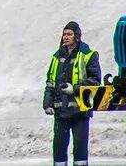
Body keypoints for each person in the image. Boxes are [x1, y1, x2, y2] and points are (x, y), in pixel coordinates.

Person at [43, 21, 101, 166]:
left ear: (77, 36)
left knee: (80, 149)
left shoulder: (88, 55)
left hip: (79, 111)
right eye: (64, 34)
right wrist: (47, 104)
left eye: (69, 34)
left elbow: (95, 81)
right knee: (59, 148)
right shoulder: (57, 57)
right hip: (61, 111)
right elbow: (50, 81)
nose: (65, 37)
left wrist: (74, 89)